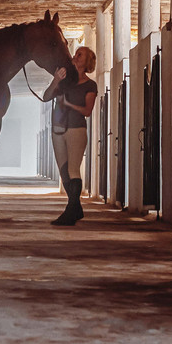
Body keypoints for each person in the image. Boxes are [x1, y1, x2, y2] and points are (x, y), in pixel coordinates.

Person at [42, 46, 97, 226]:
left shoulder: (90, 85)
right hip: (58, 129)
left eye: (80, 54)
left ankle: (70, 211)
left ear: (87, 61)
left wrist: (68, 104)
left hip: (76, 129)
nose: (75, 56)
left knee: (73, 169)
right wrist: (56, 80)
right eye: (76, 53)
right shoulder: (65, 81)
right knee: (63, 171)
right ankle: (75, 208)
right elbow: (46, 96)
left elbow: (87, 111)